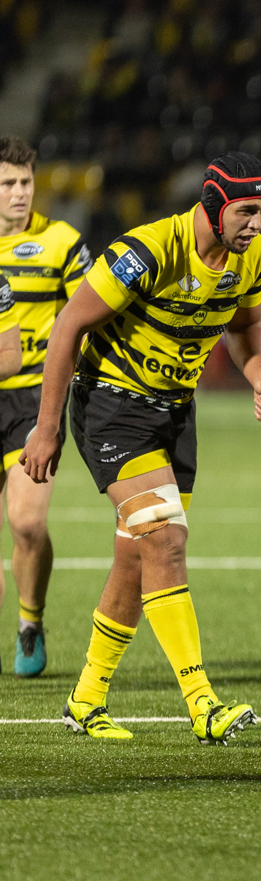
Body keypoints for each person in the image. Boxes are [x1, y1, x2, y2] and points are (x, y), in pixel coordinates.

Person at [23, 152, 261, 744]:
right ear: (214, 204)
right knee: (165, 539)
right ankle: (202, 703)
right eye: (247, 211)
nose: (257, 225)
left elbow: (244, 327)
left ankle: (86, 699)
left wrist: (258, 375)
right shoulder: (148, 251)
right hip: (112, 405)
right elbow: (68, 328)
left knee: (136, 557)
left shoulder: (252, 257)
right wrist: (46, 427)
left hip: (175, 412)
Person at [0, 136, 90, 677]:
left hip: (33, 398)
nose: (18, 193)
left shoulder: (60, 242)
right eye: (7, 183)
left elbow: (86, 316)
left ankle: (30, 621)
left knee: (27, 524)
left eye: (25, 182)